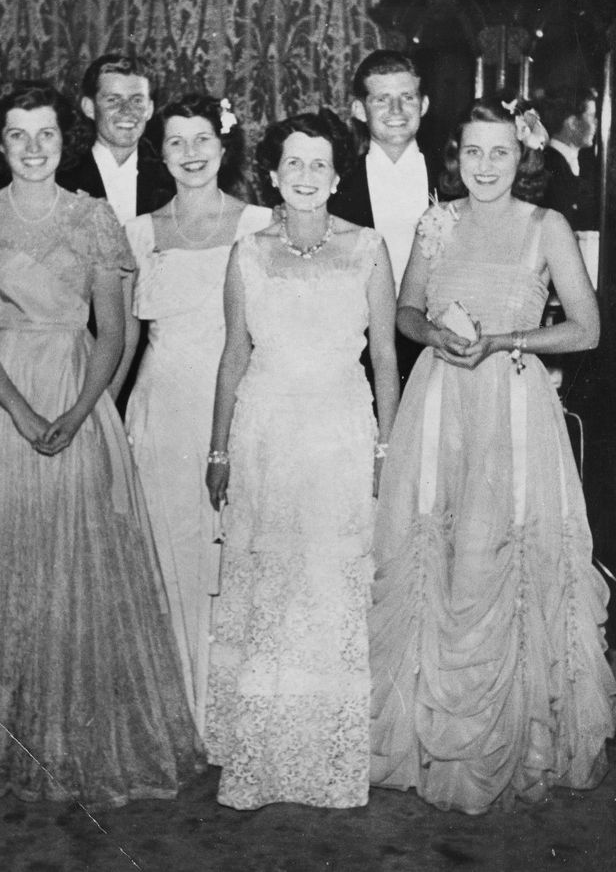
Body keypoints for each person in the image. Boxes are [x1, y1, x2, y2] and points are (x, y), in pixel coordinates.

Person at [0, 81, 198, 806]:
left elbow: (115, 332)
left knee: (74, 562)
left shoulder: (93, 220)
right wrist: (22, 413)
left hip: (81, 396)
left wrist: (83, 410)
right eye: (17, 136)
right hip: (0, 399)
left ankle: (69, 741)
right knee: (0, 563)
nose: (31, 149)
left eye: (45, 135)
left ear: (66, 140)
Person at [367, 96, 616, 815]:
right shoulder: (436, 222)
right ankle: (424, 736)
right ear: (456, 158)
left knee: (498, 559)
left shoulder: (548, 226)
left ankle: (510, 742)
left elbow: (587, 329)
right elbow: (405, 311)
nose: (484, 166)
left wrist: (505, 340)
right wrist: (436, 336)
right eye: (472, 152)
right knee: (433, 558)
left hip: (512, 405)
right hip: (440, 403)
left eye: (500, 152)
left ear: (521, 157)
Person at [204, 109, 399, 810]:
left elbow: (384, 360)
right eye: (295, 164)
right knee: (271, 585)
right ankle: (261, 748)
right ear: (273, 175)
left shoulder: (370, 248)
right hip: (265, 432)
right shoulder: (247, 251)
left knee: (329, 585)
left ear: (338, 176)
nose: (307, 177)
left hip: (341, 432)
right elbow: (233, 355)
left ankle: (326, 752)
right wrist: (219, 446)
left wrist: (387, 448)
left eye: (321, 164)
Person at [108, 93, 273, 738]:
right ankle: (176, 711)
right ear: (161, 152)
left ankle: (235, 712)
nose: (191, 153)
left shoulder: (262, 222)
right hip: (163, 411)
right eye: (176, 142)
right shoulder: (138, 234)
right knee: (169, 552)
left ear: (223, 146)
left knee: (238, 555)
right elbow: (118, 341)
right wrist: (101, 421)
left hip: (245, 406)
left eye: (202, 139)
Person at [329, 49, 432, 386]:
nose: (397, 111)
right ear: (359, 109)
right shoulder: (338, 189)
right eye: (382, 100)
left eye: (407, 97)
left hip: (439, 344)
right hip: (365, 351)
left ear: (424, 104)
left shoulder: (455, 179)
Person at [56, 51, 171, 221]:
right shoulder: (60, 179)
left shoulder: (171, 178)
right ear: (89, 107)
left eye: (137, 100)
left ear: (150, 109)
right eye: (113, 100)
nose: (126, 110)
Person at [538, 86, 599, 232]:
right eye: (591, 116)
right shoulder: (549, 165)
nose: (596, 122)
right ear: (572, 123)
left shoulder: (580, 164)